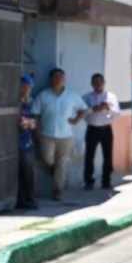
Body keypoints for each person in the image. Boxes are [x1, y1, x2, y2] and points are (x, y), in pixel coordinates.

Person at [31, 68, 88, 201]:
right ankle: (52, 169)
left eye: (60, 77)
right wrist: (36, 131)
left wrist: (75, 120)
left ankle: (57, 190)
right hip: (47, 134)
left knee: (61, 163)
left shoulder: (72, 95)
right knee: (47, 159)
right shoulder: (43, 95)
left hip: (66, 135)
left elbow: (84, 109)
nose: (58, 80)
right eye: (55, 77)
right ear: (50, 79)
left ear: (64, 79)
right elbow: (36, 115)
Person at [82, 73, 121, 190]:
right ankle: (89, 181)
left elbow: (117, 113)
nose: (98, 84)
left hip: (106, 129)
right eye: (95, 82)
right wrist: (94, 109)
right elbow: (82, 112)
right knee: (89, 156)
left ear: (104, 83)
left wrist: (107, 108)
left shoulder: (111, 97)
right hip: (92, 129)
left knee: (107, 156)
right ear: (91, 84)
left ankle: (106, 180)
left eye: (100, 82)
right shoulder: (87, 97)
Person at [16, 75, 38, 210]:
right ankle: (18, 200)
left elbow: (34, 122)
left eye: (29, 87)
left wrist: (29, 123)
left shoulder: (30, 102)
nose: (26, 90)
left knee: (29, 173)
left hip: (26, 143)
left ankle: (28, 198)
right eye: (24, 87)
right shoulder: (13, 102)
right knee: (15, 175)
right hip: (12, 144)